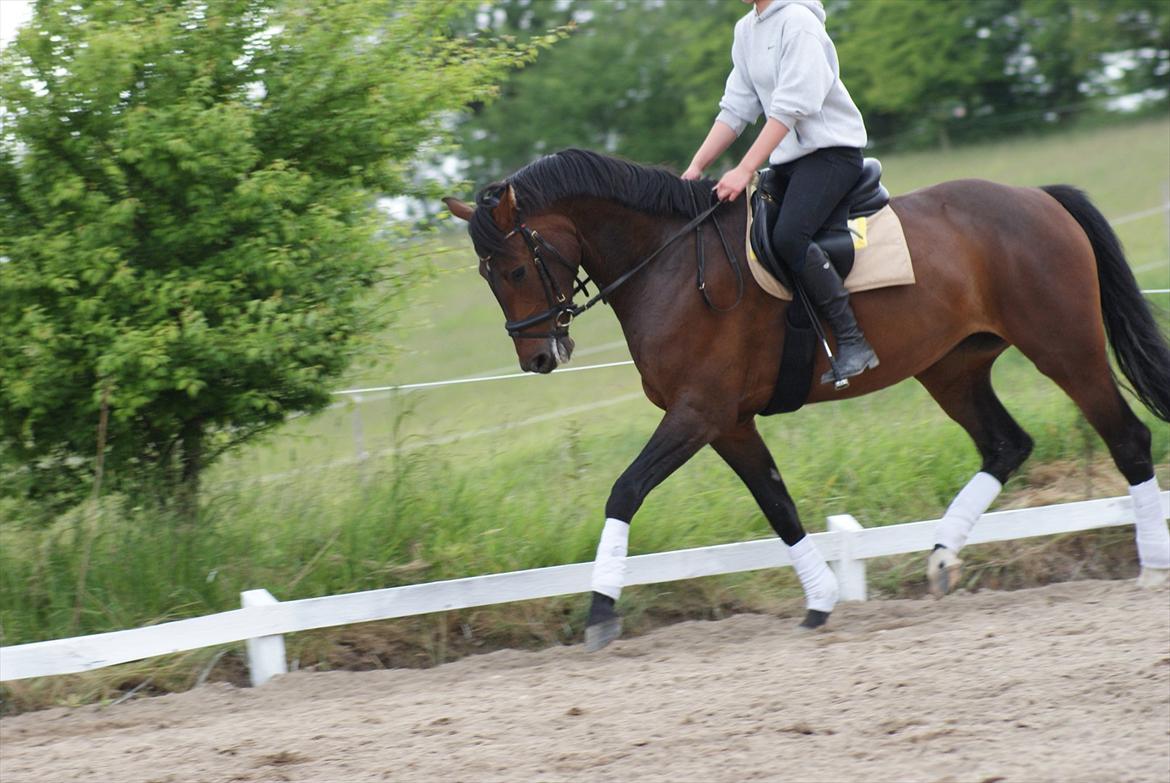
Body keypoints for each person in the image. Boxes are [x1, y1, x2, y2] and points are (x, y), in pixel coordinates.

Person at [682, 0, 877, 384]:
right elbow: (735, 110)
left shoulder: (799, 21)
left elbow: (792, 107)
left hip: (832, 154)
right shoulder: (746, 30)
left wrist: (744, 169)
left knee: (789, 237)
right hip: (789, 161)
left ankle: (853, 340)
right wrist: (696, 167)